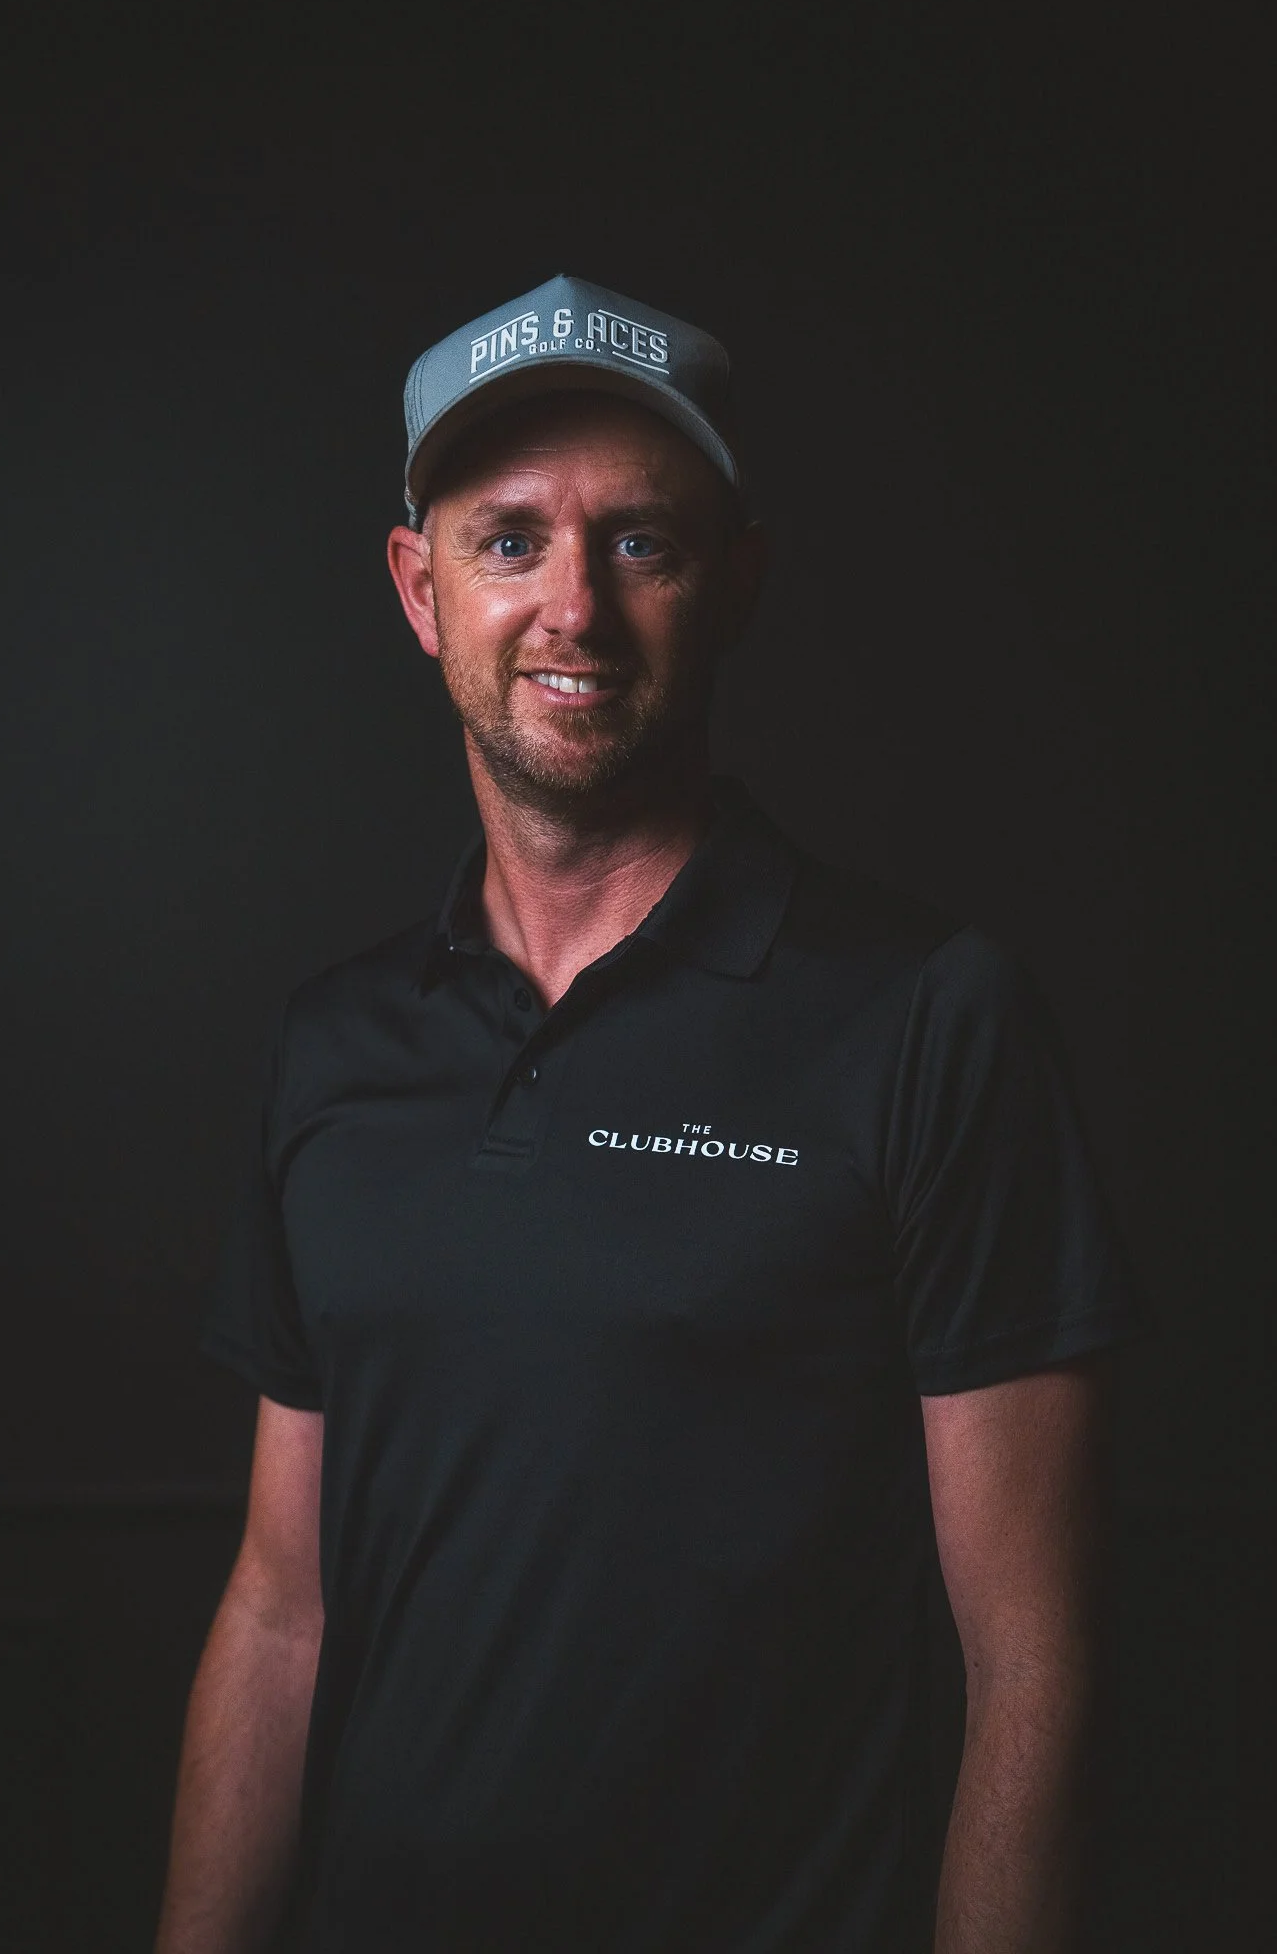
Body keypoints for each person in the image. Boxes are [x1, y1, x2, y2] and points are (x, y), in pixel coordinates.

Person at [154, 274, 1150, 1953]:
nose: (574, 611)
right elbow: (280, 1610)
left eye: (641, 545)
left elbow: (1031, 1655)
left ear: (736, 581)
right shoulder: (337, 1051)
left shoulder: (926, 1020)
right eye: (510, 540)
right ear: (419, 588)